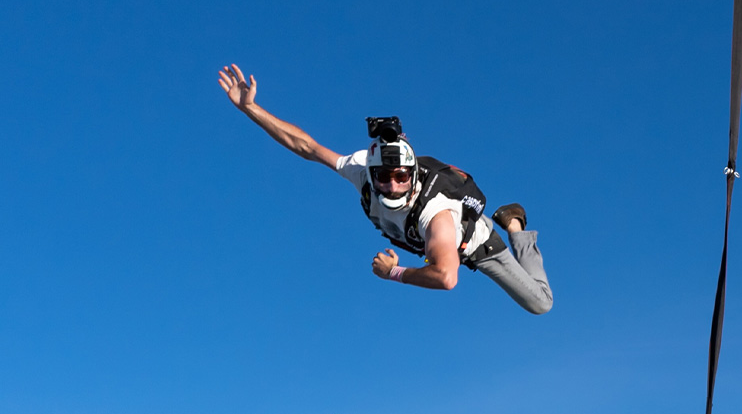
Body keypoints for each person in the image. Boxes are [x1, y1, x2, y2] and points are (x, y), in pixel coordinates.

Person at [216, 64, 552, 315]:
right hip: (435, 245)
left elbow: (447, 277)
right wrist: (251, 108)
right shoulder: (360, 171)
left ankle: (513, 224)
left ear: (414, 173)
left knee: (540, 303)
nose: (392, 186)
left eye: (401, 177)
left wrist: (393, 273)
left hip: (477, 246)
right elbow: (306, 146)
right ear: (370, 172)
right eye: (383, 178)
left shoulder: (437, 213)